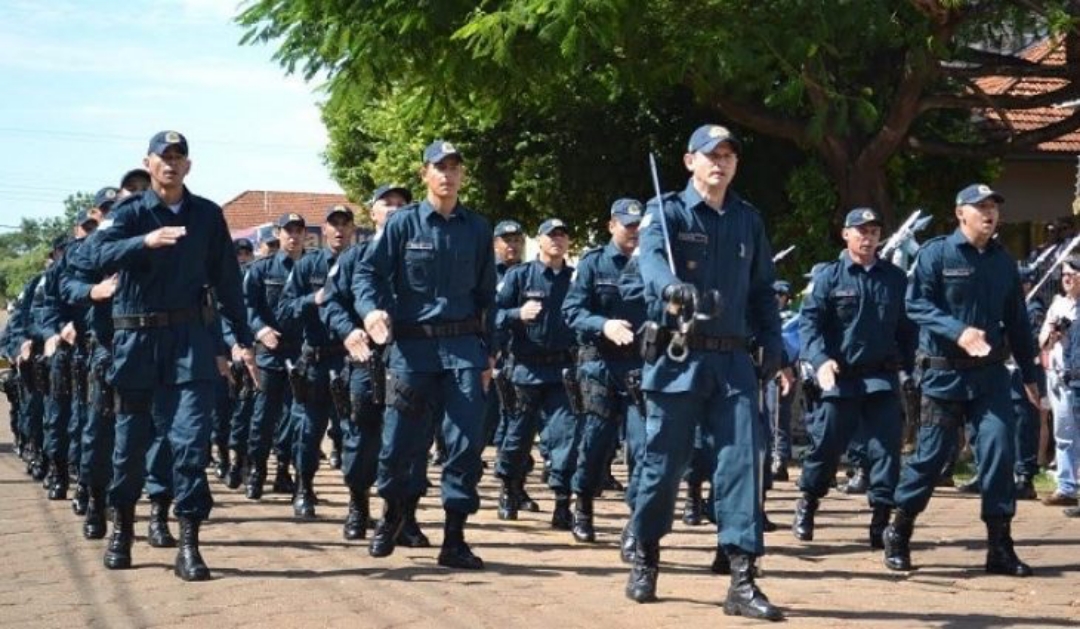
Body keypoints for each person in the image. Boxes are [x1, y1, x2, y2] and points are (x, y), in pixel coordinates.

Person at [628, 124, 784, 621]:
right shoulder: (665, 212)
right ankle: (647, 554)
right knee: (664, 464)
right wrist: (672, 288)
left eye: (729, 155)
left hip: (734, 359)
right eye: (710, 154)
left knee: (743, 462)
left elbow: (763, 289)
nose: (720, 162)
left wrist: (773, 340)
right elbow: (650, 263)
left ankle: (742, 577)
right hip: (680, 356)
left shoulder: (747, 220)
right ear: (689, 160)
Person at [89, 130, 256, 581]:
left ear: (189, 165)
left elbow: (227, 282)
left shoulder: (206, 215)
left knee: (189, 444)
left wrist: (241, 338)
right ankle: (121, 529)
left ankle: (188, 544)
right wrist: (142, 243)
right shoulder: (131, 212)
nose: (171, 164)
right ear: (148, 162)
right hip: (137, 344)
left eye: (178, 157)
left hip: (190, 342)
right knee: (129, 449)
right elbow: (90, 255)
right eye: (163, 157)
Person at [884, 183, 1038, 577]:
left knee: (1000, 451)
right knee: (932, 458)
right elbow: (916, 303)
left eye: (993, 207)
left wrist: (1031, 373)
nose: (989, 213)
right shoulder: (936, 253)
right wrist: (958, 331)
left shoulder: (1004, 261)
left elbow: (1018, 322)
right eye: (980, 206)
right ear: (960, 213)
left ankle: (999, 546)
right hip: (943, 375)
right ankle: (899, 529)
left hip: (989, 377)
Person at [356, 140, 496, 569]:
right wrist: (370, 311)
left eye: (455, 168)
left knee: (465, 445)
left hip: (463, 352)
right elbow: (367, 273)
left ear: (462, 176)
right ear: (425, 175)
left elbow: (487, 294)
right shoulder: (403, 225)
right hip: (412, 352)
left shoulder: (477, 228)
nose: (447, 175)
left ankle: (454, 538)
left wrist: (489, 353)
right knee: (400, 443)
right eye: (440, 168)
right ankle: (393, 517)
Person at [791, 208, 916, 549]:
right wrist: (819, 360)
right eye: (860, 231)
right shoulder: (830, 277)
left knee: (886, 451)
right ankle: (809, 502)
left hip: (880, 378)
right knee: (827, 446)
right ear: (846, 234)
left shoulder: (894, 278)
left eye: (874, 231)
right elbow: (810, 325)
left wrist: (908, 368)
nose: (868, 237)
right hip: (840, 379)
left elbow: (908, 330)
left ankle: (880, 520)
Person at [323, 184, 413, 542]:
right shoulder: (354, 257)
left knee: (408, 440)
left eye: (400, 205)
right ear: (372, 213)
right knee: (362, 437)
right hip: (366, 361)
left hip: (410, 358)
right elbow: (331, 302)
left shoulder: (419, 252)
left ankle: (402, 516)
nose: (392, 210)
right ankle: (358, 502)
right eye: (385, 204)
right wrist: (348, 332)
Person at [563, 198, 648, 545]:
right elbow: (572, 311)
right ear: (611, 225)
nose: (633, 232)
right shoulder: (593, 263)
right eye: (627, 225)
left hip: (642, 365)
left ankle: (637, 523)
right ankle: (582, 504)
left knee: (643, 447)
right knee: (596, 444)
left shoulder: (654, 264)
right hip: (600, 364)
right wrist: (603, 324)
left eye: (638, 226)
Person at [495, 218, 580, 530]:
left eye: (562, 235)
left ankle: (561, 502)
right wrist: (518, 314)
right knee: (517, 437)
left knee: (564, 438)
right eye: (551, 235)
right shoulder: (520, 276)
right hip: (525, 370)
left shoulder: (575, 278)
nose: (557, 240)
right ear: (539, 241)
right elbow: (494, 314)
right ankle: (509, 490)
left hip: (562, 371)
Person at [277, 204, 356, 519]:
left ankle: (357, 500)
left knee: (354, 432)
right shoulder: (308, 265)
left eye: (345, 223)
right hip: (316, 359)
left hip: (351, 361)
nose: (339, 230)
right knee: (309, 431)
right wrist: (314, 299)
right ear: (323, 231)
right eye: (333, 224)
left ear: (352, 228)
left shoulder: (361, 262)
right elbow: (284, 309)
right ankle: (303, 488)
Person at [244, 213, 306, 500]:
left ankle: (284, 469)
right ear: (279, 234)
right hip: (271, 352)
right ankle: (257, 471)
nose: (293, 236)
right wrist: (260, 330)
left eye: (298, 230)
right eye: (288, 230)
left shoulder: (313, 266)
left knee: (297, 418)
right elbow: (247, 307)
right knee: (263, 417)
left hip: (303, 353)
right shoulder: (261, 269)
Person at [1040, 257, 1080, 507]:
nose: (1067, 278)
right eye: (1064, 274)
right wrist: (1054, 335)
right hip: (1060, 378)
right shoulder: (1057, 305)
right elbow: (1042, 342)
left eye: (1073, 273)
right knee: (1063, 434)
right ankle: (1066, 487)